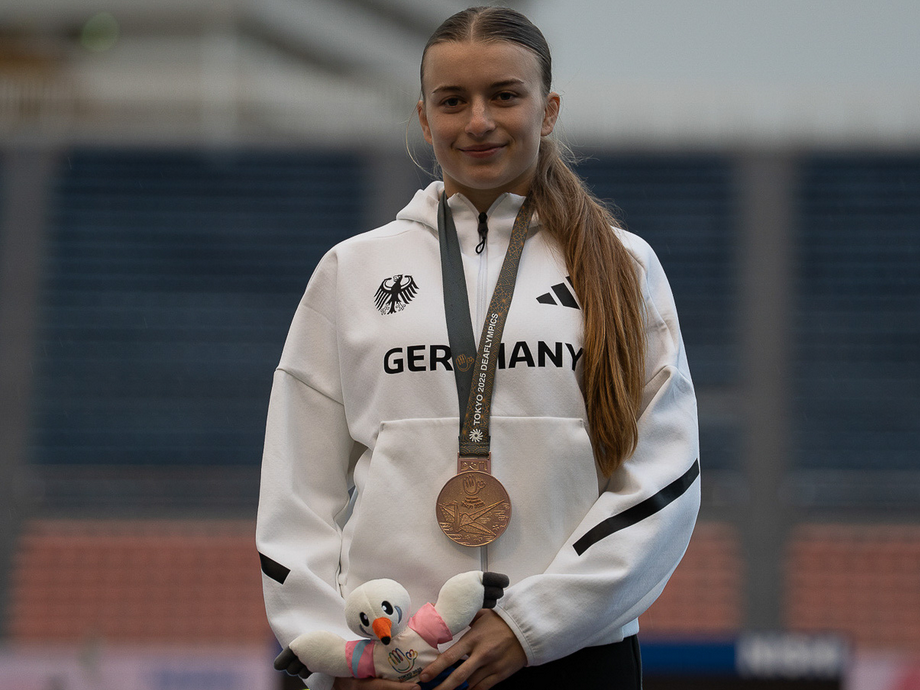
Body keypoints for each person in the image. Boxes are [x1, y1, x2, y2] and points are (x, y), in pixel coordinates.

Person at [257, 6, 700, 690]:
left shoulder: (622, 266)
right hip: (396, 662)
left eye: (504, 95)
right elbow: (295, 485)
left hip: (573, 656)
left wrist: (533, 624)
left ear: (548, 110)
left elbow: (666, 475)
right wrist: (340, 655)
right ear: (424, 116)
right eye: (453, 101)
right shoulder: (352, 270)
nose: (479, 121)